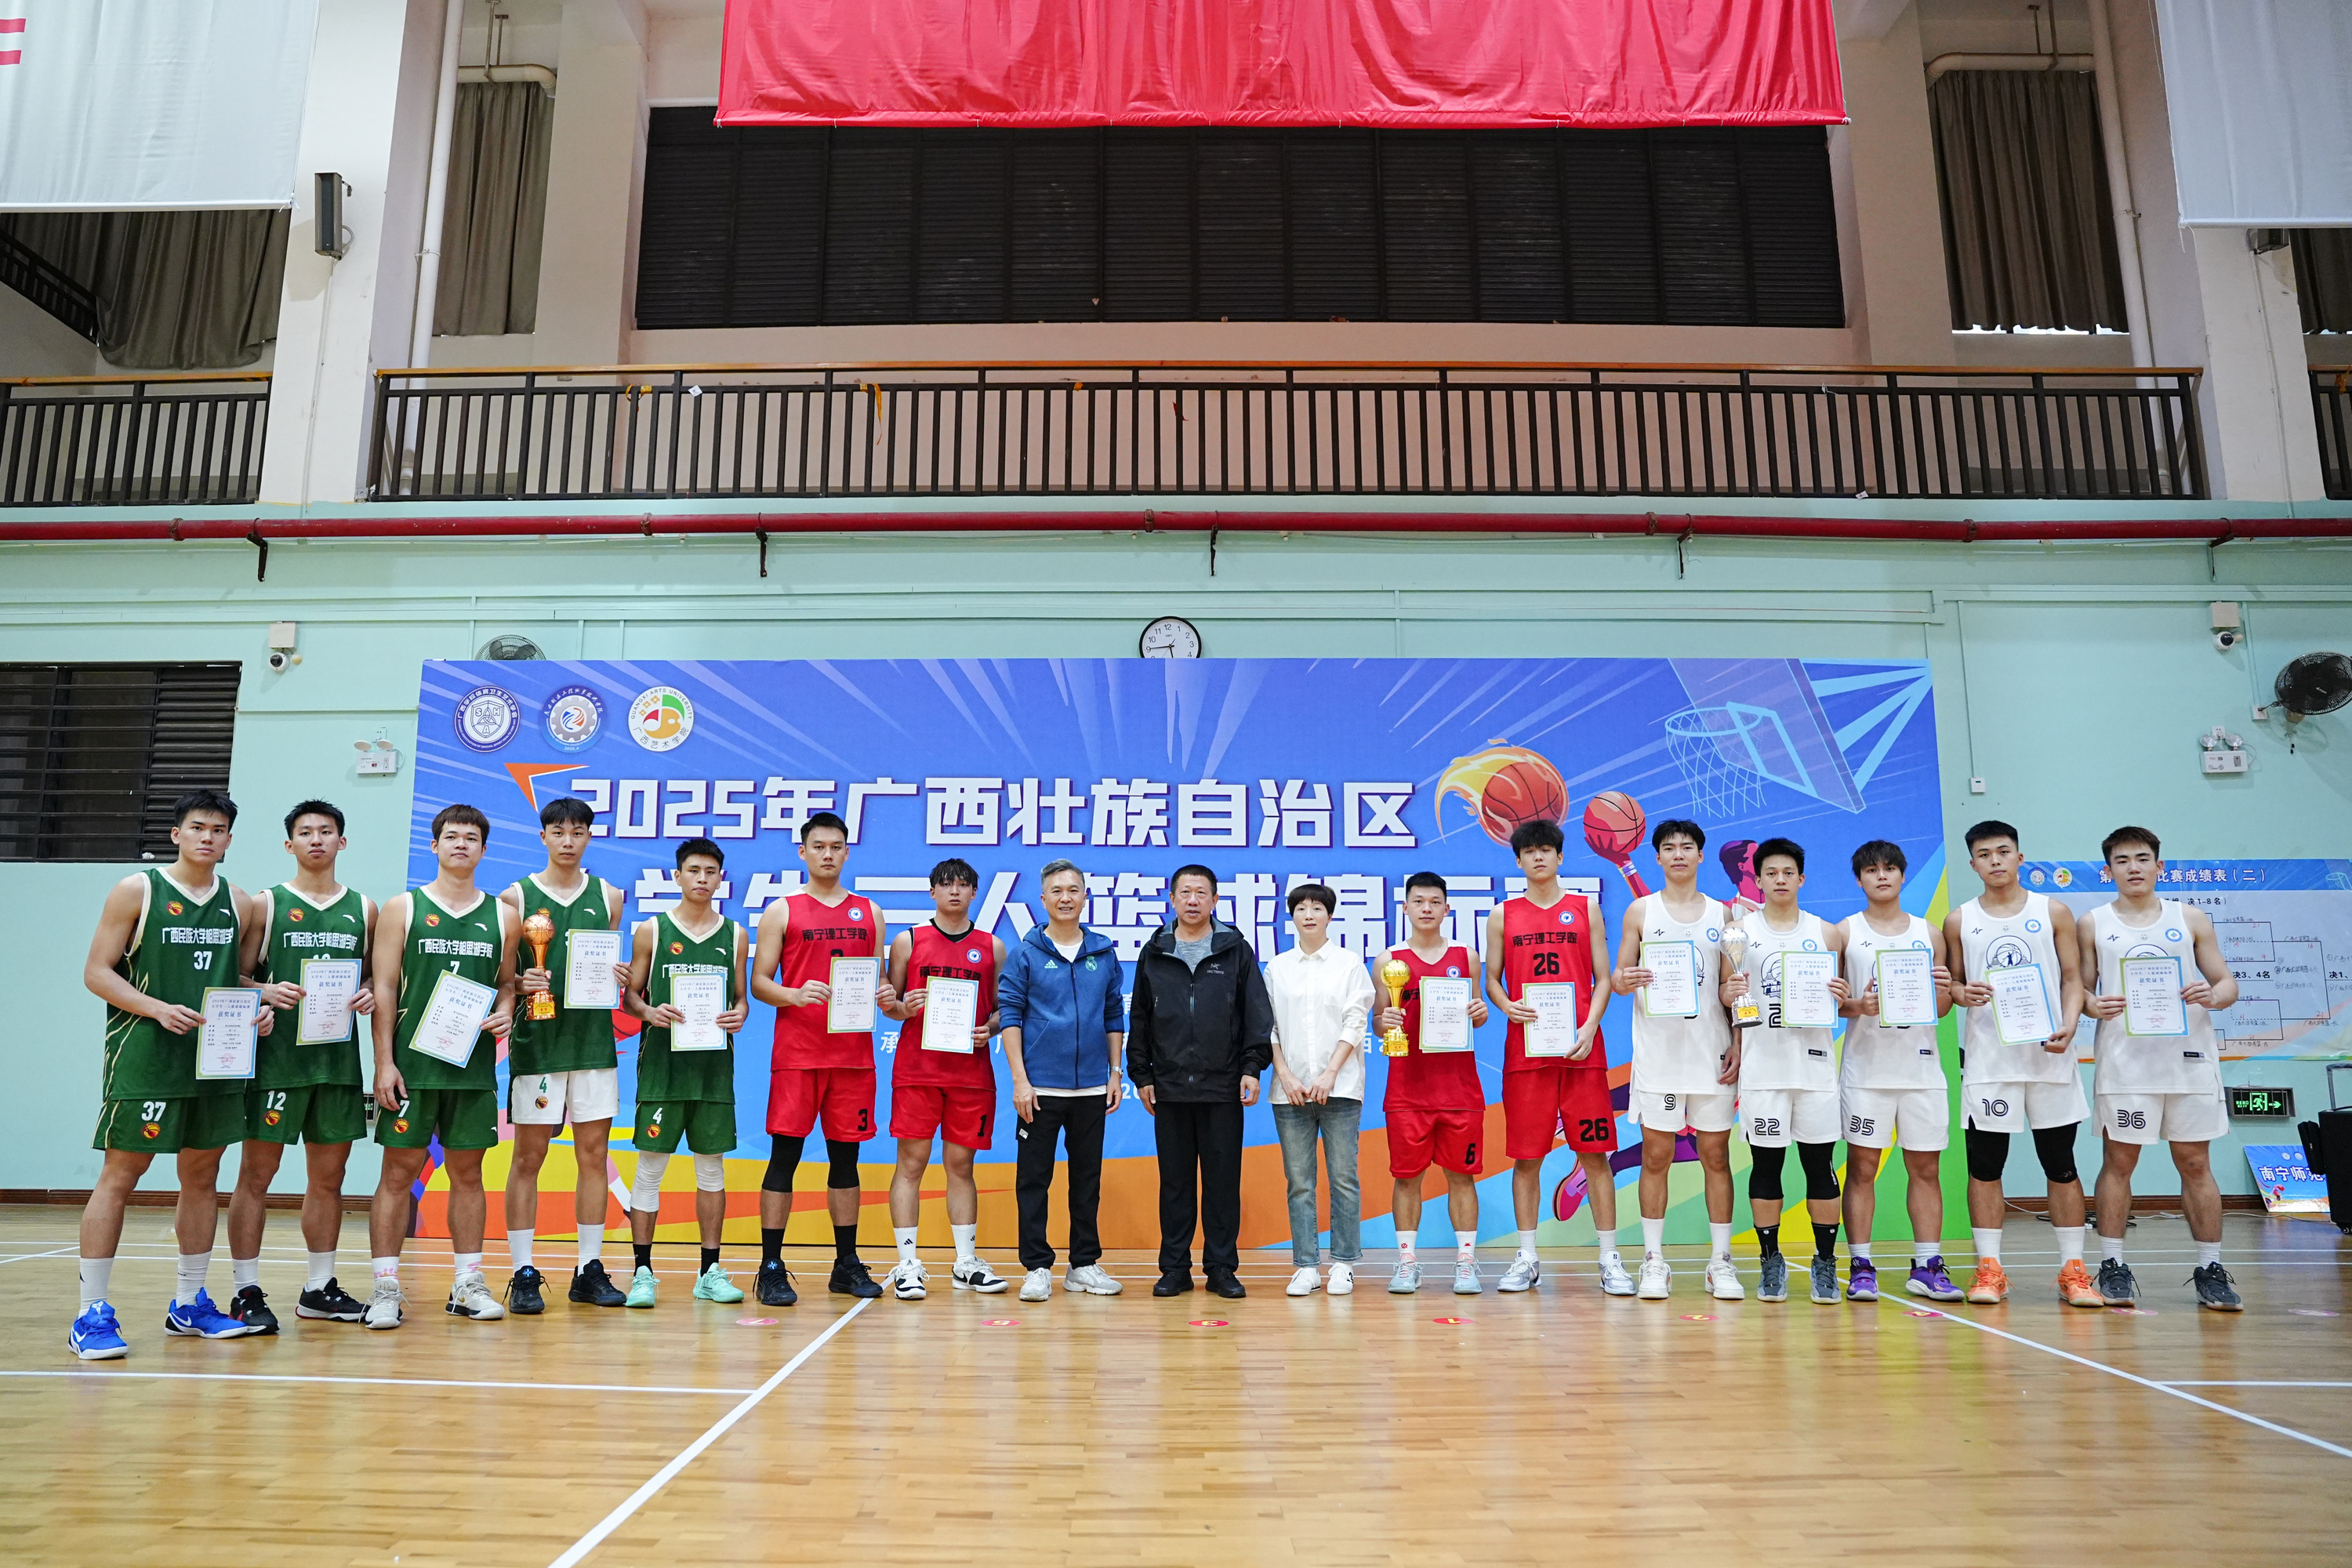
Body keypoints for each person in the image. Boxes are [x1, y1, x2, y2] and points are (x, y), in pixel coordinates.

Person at [70, 790, 267, 1359]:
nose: (208, 837)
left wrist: (259, 1005)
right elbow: (97, 971)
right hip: (146, 1057)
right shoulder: (138, 890)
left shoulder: (239, 902)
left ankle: (189, 1303)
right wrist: (156, 1008)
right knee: (121, 1174)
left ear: (229, 840)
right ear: (177, 834)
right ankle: (90, 1312)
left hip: (216, 1062)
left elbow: (233, 979)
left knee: (202, 1176)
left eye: (219, 830)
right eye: (198, 827)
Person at [224, 800, 377, 1332]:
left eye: (326, 831)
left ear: (342, 841)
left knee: (329, 1179)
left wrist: (369, 990)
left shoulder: (364, 908)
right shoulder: (266, 905)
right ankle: (245, 1289)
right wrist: (265, 990)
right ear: (289, 844)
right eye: (306, 832)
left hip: (336, 1063)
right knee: (256, 1175)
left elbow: (375, 976)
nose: (316, 839)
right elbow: (232, 978)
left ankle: (319, 1287)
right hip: (276, 1063)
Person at [365, 804, 518, 1330]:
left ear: (483, 849)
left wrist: (506, 1011)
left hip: (471, 1069)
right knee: (397, 1173)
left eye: (471, 838)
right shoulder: (403, 908)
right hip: (412, 1067)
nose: (461, 845)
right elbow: (385, 988)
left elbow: (506, 983)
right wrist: (383, 1063)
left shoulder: (503, 915)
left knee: (468, 1173)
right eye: (451, 836)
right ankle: (385, 1287)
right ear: (434, 845)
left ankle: (468, 1282)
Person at [2081, 826, 2242, 1310]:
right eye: (2122, 860)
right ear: (2108, 870)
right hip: (2125, 1065)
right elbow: (2081, 991)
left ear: (2159, 866)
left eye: (2142, 858)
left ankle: (2211, 1268)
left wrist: (2213, 995)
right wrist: (2093, 1004)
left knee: (2195, 1163)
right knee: (2119, 1162)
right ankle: (2112, 1265)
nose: (2133, 867)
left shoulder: (2189, 918)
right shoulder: (2093, 923)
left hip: (2189, 1062)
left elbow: (2226, 983)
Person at [1946, 820, 2096, 1308]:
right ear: (1973, 864)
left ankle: (2074, 1270)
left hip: (2050, 1057)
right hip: (1990, 1063)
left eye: (2003, 851)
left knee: (2062, 1165)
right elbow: (1954, 985)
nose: (1995, 860)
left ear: (2019, 857)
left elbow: (2072, 978)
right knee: (1985, 1168)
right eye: (1984, 854)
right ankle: (1990, 1269)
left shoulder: (2052, 911)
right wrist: (1962, 993)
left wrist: (2070, 1025)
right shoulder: (1960, 920)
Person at [750, 811, 895, 1305]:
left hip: (852, 1057)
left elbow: (878, 981)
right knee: (784, 1158)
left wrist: (887, 996)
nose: (827, 854)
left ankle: (846, 1264)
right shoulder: (782, 911)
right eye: (818, 846)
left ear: (847, 852)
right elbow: (760, 983)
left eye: (836, 847)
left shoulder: (869, 912)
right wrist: (793, 995)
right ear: (803, 852)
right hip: (798, 1055)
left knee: (846, 1160)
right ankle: (771, 1266)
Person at [499, 796, 627, 1312]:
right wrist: (519, 982)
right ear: (543, 837)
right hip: (539, 1043)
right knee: (528, 1158)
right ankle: (523, 1271)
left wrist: (621, 976)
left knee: (593, 1156)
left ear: (589, 837)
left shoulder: (609, 896)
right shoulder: (515, 897)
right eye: (558, 832)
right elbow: (500, 975)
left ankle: (588, 1268)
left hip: (593, 1043)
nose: (568, 841)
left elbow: (607, 967)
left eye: (577, 832)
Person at [1485, 820, 1622, 1297]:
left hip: (1581, 1050)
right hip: (1527, 1054)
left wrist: (1590, 1026)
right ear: (1519, 861)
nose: (1539, 857)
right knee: (1527, 1158)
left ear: (1560, 857)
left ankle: (1610, 1258)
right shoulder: (1503, 915)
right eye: (1530, 851)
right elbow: (1492, 979)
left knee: (1595, 1155)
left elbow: (1603, 978)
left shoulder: (1585, 907)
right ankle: (1527, 1257)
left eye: (1546, 850)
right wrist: (1506, 1006)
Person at [1610, 818, 1744, 1303]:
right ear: (1658, 858)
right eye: (1670, 848)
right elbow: (1619, 977)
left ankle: (1720, 1262)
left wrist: (1739, 1042)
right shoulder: (1641, 911)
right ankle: (1653, 1260)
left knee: (1716, 1156)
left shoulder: (1725, 914)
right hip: (1659, 1055)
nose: (1679, 854)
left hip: (1711, 1054)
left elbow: (1731, 988)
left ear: (1701, 856)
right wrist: (1627, 980)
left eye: (1688, 847)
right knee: (1655, 1156)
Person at [1128, 864, 1274, 1300]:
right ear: (1172, 899)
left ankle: (1221, 1268)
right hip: (1169, 1087)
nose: (1193, 900)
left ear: (1214, 900)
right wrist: (1142, 1074)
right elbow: (1140, 1017)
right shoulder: (1155, 951)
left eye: (1201, 893)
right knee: (1174, 1184)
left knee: (1222, 1183)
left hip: (1223, 1086)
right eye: (1185, 893)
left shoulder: (1235, 950)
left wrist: (1252, 1067)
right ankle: (1175, 1268)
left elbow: (1256, 1013)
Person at [616, 838, 750, 1308]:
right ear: (677, 876)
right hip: (663, 1069)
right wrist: (648, 1012)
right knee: (650, 1170)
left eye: (710, 872)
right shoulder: (652, 930)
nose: (702, 878)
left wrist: (740, 1014)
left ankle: (709, 1272)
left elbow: (741, 998)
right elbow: (631, 997)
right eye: (693, 870)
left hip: (713, 1069)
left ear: (720, 879)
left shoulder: (735, 934)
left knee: (711, 1170)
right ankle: (642, 1272)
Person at [1725, 837, 1850, 1306]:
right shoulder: (1738, 933)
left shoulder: (1827, 934)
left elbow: (1843, 999)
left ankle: (1825, 1262)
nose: (1780, 880)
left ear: (1802, 878)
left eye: (1788, 873)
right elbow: (1729, 998)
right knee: (1767, 1166)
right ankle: (1770, 1261)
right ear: (1758, 880)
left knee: (1820, 1166)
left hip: (1814, 1069)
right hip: (1763, 1067)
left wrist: (1841, 995)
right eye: (1771, 873)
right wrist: (1729, 995)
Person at [880, 858, 1011, 1301]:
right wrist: (904, 1007)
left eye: (963, 885)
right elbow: (892, 1006)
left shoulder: (992, 947)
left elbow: (1003, 1010)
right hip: (917, 1072)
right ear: (932, 891)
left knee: (961, 1167)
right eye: (946, 884)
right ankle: (907, 1265)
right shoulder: (909, 941)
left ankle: (965, 1262)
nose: (955, 891)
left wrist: (989, 1029)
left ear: (975, 892)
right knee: (911, 1164)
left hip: (970, 1075)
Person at [997, 859, 1127, 1303]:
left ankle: (1083, 1264)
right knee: (1034, 1180)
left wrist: (1114, 1072)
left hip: (1092, 1087)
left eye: (1073, 890)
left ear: (1085, 896)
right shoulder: (1026, 953)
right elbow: (1010, 1015)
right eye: (1057, 891)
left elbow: (1113, 1014)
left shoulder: (1103, 953)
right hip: (1040, 1089)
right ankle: (1036, 1266)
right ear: (1043, 899)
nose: (1066, 897)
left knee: (1086, 1179)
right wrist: (1020, 1080)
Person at [1836, 840, 1958, 1304]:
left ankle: (1928, 1265)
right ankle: (1861, 1265)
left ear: (1903, 876)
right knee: (1862, 1168)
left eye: (1890, 868)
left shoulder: (1930, 933)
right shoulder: (1845, 932)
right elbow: (1833, 1003)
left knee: (1925, 1168)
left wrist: (1945, 990)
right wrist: (1859, 1005)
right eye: (1872, 870)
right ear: (1859, 880)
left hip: (1921, 1071)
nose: (1882, 876)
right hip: (1866, 1072)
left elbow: (1942, 1008)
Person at [1377, 873, 1493, 1297]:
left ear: (1447, 909)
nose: (1426, 908)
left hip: (1460, 1091)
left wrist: (1480, 1013)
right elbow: (1378, 1023)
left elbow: (1478, 1015)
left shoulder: (1467, 956)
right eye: (1418, 901)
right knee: (1407, 1179)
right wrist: (1385, 1021)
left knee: (1462, 1177)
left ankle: (1466, 1262)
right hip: (1407, 1091)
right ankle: (1407, 1262)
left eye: (1434, 902)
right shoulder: (1389, 960)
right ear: (1405, 908)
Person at [1266, 882, 1373, 1298]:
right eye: (1301, 908)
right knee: (1299, 1182)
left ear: (1330, 915)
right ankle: (1307, 1266)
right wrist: (1285, 1075)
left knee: (1343, 1177)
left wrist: (1330, 1074)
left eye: (1317, 908)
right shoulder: (1277, 968)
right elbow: (1268, 1026)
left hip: (1339, 1088)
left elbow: (1356, 1021)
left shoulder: (1349, 964)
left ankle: (1343, 1264)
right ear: (1291, 916)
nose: (1308, 915)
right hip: (1290, 1092)